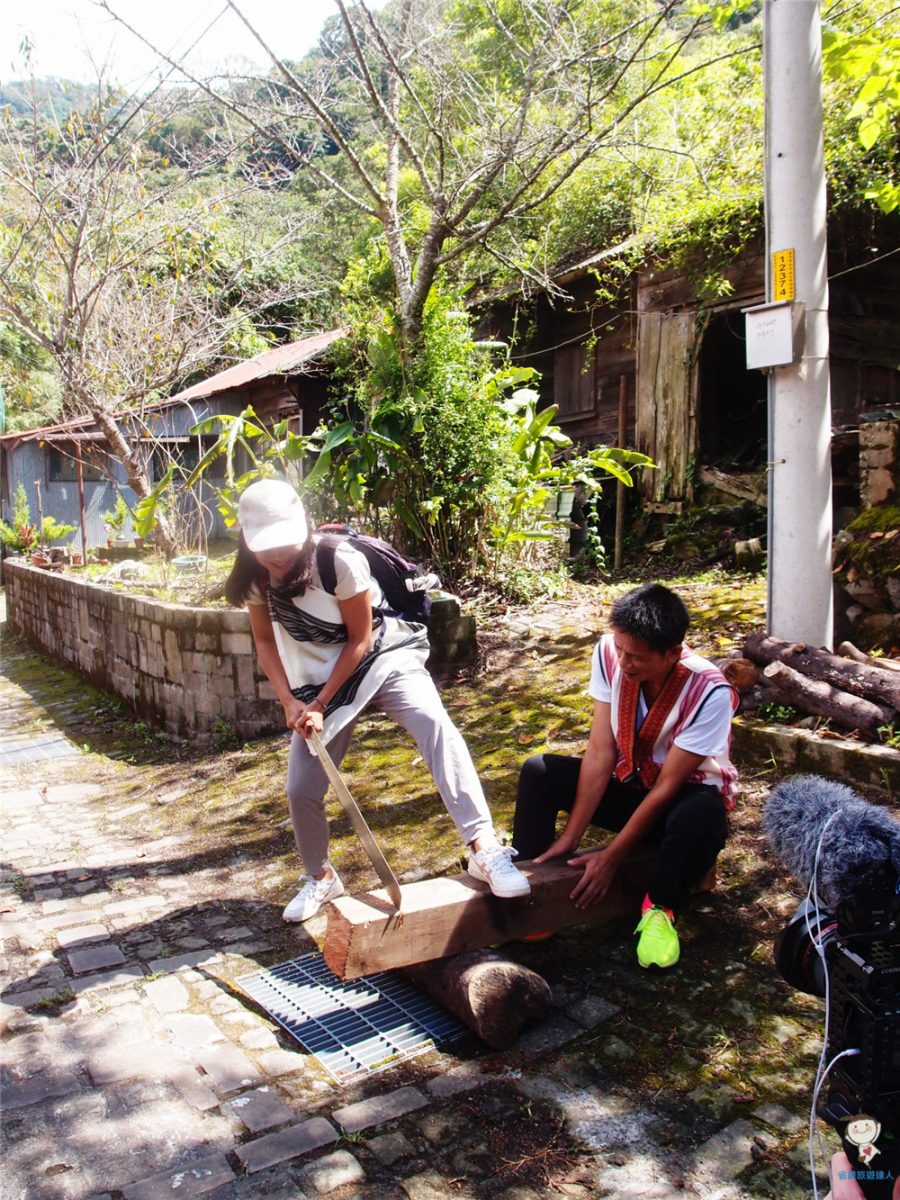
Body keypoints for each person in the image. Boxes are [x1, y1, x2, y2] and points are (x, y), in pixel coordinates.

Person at [227, 478, 530, 922]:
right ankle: (322, 877)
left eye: (286, 542)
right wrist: (291, 702)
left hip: (381, 656)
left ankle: (484, 848)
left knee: (433, 723)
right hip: (313, 684)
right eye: (266, 545)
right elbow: (264, 642)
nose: (278, 554)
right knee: (301, 786)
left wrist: (321, 702)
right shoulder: (254, 577)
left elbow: (360, 639)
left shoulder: (337, 560)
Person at [512, 582, 738, 968]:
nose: (625, 662)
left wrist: (611, 856)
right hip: (633, 787)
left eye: (636, 657)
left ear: (673, 653)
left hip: (679, 803)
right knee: (540, 771)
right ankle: (529, 894)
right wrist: (572, 837)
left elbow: (668, 785)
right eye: (620, 650)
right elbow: (600, 751)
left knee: (703, 814)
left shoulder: (710, 692)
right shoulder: (609, 653)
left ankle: (660, 910)